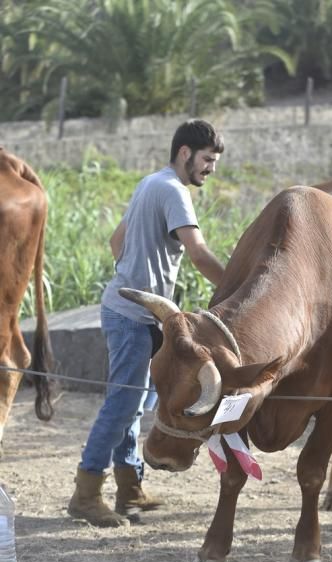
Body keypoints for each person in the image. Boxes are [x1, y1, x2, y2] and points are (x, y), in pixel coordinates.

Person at [68, 119, 225, 527]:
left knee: (136, 406)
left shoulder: (149, 183)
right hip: (131, 317)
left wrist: (133, 275)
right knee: (122, 406)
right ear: (186, 153)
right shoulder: (173, 189)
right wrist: (235, 288)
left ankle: (129, 489)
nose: (211, 169)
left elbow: (116, 241)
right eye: (208, 160)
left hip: (137, 312)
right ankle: (86, 495)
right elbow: (198, 252)